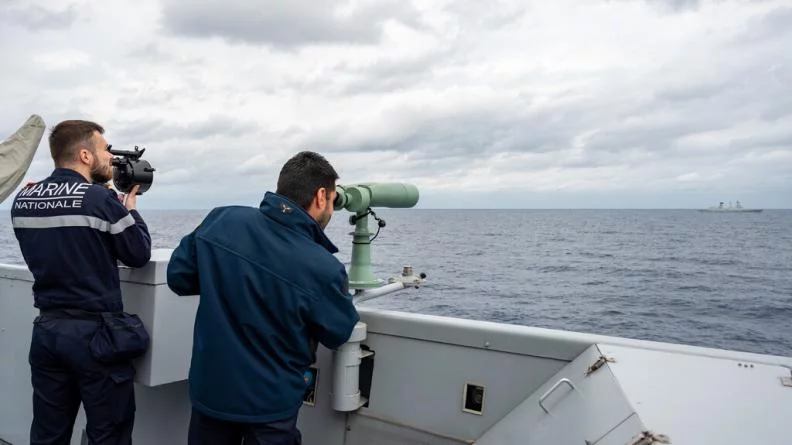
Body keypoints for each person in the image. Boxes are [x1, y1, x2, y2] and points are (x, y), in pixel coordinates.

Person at [167, 151, 360, 445]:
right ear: (321, 196)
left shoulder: (222, 219)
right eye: (333, 200)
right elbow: (338, 331)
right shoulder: (323, 268)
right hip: (270, 407)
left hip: (211, 393)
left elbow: (178, 277)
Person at [10, 120, 152, 445]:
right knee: (108, 433)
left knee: (49, 433)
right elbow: (138, 252)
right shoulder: (98, 200)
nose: (111, 159)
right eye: (105, 150)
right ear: (85, 155)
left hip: (47, 331)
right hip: (95, 338)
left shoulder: (24, 197)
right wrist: (129, 208)